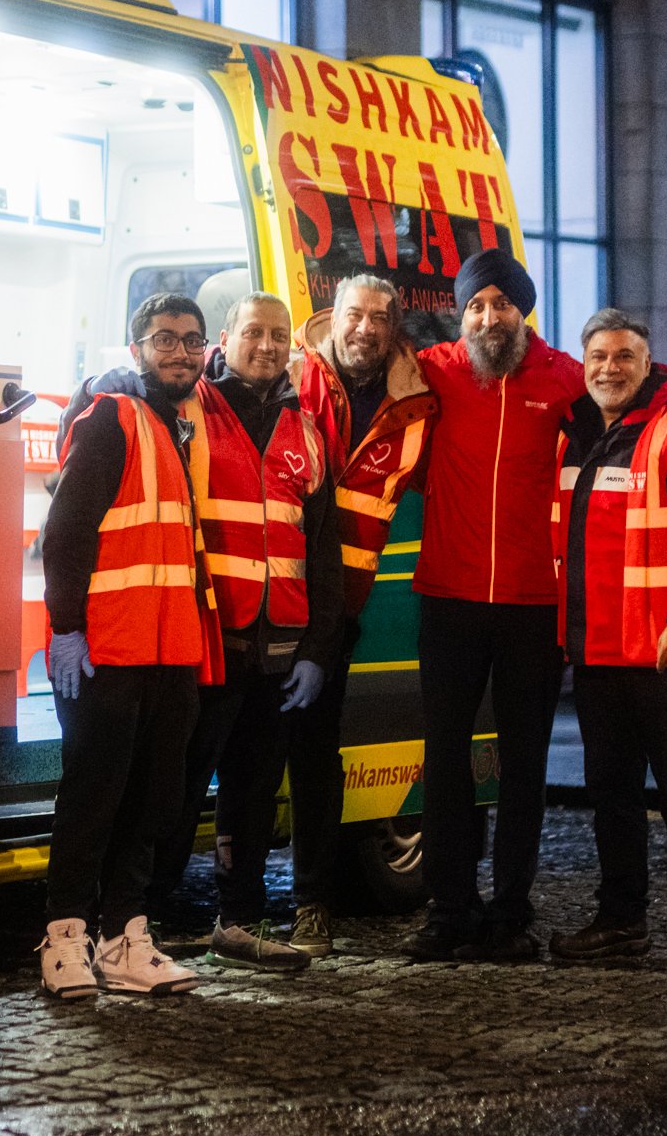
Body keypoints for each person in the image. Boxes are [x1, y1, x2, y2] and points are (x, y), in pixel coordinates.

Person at [145, 291, 342, 970]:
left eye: (278, 333)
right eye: (253, 331)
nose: (266, 343)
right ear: (224, 339)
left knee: (254, 794)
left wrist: (317, 650)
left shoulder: (308, 430)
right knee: (178, 783)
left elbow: (322, 552)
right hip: (207, 639)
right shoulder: (191, 408)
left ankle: (241, 917)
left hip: (279, 649)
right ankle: (152, 916)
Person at [403, 248, 587, 962]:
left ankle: (511, 911)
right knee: (443, 758)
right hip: (447, 595)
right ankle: (449, 909)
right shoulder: (434, 370)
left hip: (533, 604)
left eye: (501, 303)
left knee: (524, 764)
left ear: (522, 310)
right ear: (462, 310)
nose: (488, 316)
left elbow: (624, 409)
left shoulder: (565, 379)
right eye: (476, 304)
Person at [547, 308, 667, 975]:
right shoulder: (574, 435)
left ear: (647, 361)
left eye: (624, 356)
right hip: (598, 651)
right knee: (612, 794)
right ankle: (622, 919)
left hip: (664, 652)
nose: (609, 367)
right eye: (597, 355)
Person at [33, 292, 214, 1000]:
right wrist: (65, 626)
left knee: (150, 804)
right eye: (164, 338)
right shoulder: (112, 416)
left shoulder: (175, 424)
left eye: (191, 340)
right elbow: (67, 531)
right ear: (136, 346)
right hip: (109, 650)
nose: (179, 350)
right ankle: (65, 936)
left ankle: (124, 937)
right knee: (93, 799)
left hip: (170, 652)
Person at [285, 273, 437, 956]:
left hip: (336, 610)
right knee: (242, 758)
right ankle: (214, 905)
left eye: (380, 316)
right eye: (354, 313)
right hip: (264, 596)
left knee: (318, 761)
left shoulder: (419, 404)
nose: (365, 328)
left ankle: (311, 904)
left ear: (395, 326)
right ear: (332, 315)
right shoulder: (290, 373)